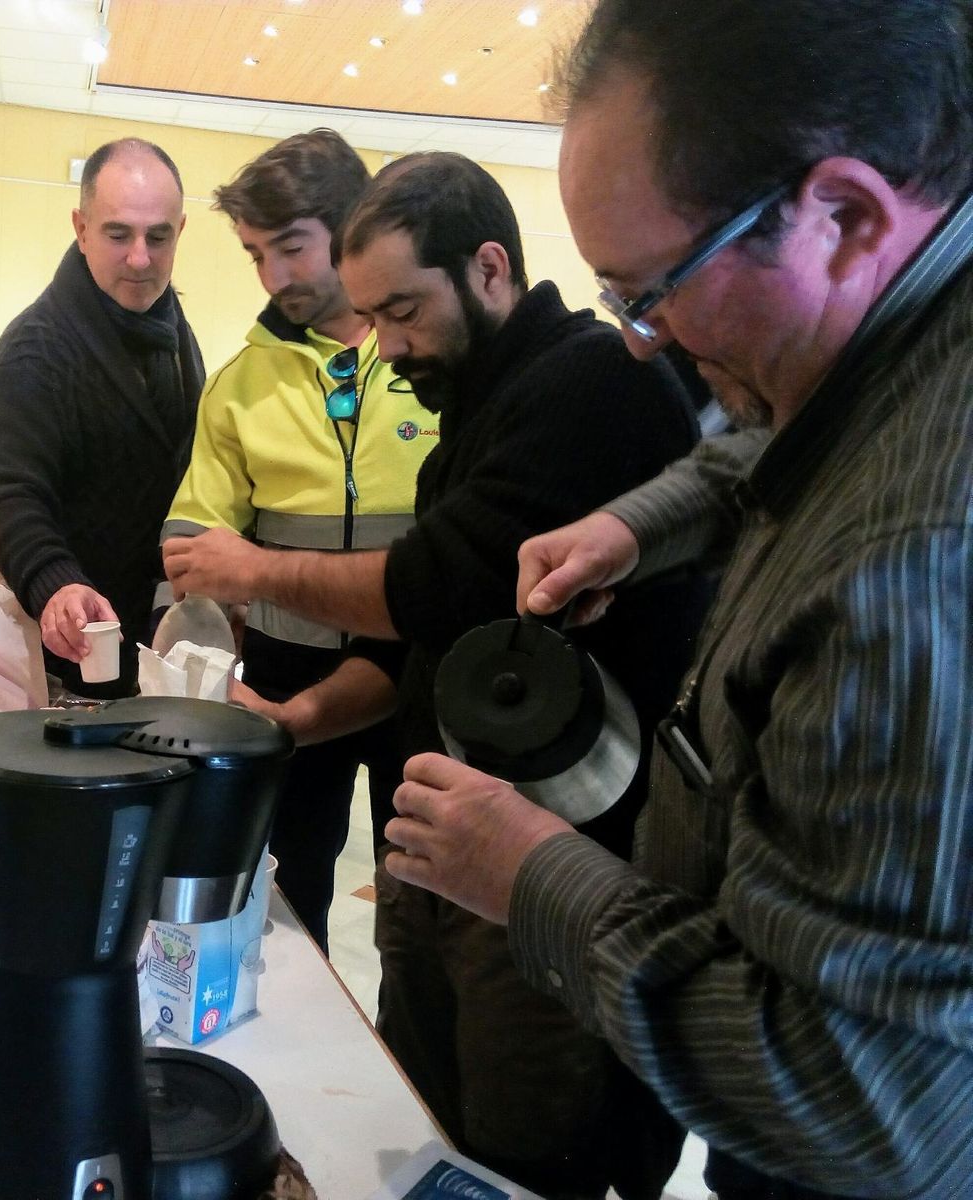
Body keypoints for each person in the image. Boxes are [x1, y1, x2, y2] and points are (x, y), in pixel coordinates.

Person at [379, 2, 973, 1197]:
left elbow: (863, 1101)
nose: (641, 342)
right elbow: (767, 445)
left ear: (843, 217)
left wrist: (526, 871)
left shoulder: (913, 559)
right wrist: (629, 526)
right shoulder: (880, 342)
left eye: (653, 292)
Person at [166, 152, 706, 1198]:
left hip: (553, 869)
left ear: (490, 269)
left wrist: (252, 569)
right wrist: (287, 720)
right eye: (373, 318)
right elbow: (421, 649)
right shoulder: (474, 401)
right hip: (447, 850)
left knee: (530, 1146)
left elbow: (433, 586)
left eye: (405, 310)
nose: (390, 345)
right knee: (423, 1114)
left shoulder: (588, 383)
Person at [159, 130, 432, 951]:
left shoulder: (429, 359)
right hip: (283, 682)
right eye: (255, 255)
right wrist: (201, 579)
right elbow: (193, 525)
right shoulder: (240, 382)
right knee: (280, 897)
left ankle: (397, 1070)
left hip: (420, 673)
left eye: (291, 248)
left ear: (352, 229)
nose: (276, 277)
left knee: (419, 902)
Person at [0, 138, 204, 697]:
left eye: (159, 236)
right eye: (118, 234)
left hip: (161, 645)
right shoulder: (36, 350)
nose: (140, 258)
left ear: (181, 231)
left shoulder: (172, 330)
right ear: (81, 228)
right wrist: (56, 583)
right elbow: (9, 496)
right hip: (78, 651)